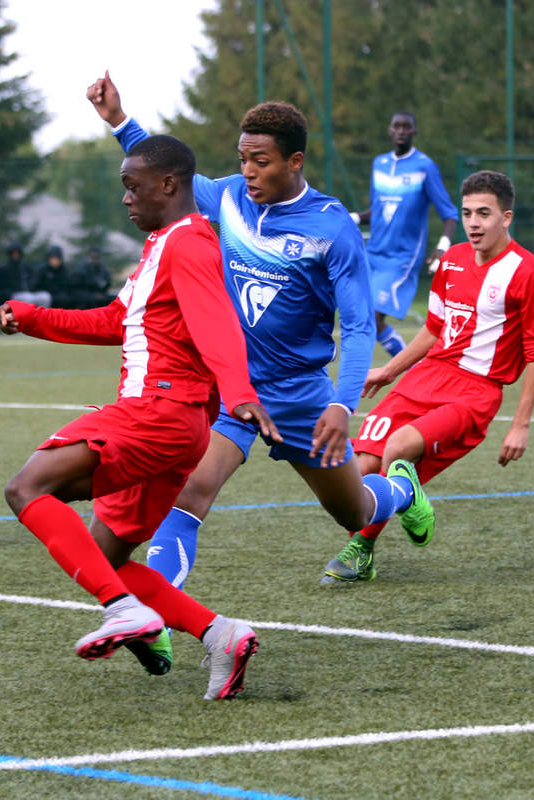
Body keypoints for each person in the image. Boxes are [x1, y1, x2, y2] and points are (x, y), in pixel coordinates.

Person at [87, 72, 434, 671]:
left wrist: (341, 404)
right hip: (230, 390)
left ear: (294, 161)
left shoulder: (332, 229)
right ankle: (160, 623)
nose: (247, 172)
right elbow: (169, 178)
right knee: (190, 493)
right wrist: (120, 121)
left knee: (353, 513)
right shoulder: (227, 198)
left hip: (301, 397)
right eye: (242, 159)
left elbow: (355, 329)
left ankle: (401, 488)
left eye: (261, 161)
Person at [0, 134, 280, 700]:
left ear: (168, 185)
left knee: (27, 488)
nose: (126, 198)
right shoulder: (163, 245)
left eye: (133, 186)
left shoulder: (188, 243)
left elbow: (216, 322)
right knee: (102, 557)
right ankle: (219, 634)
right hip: (176, 426)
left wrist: (239, 388)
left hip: (157, 412)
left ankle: (126, 612)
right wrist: (32, 318)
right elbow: (113, 321)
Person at [324, 170, 534, 582]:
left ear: (507, 217)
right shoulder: (451, 260)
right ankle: (399, 507)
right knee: (357, 475)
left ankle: (362, 549)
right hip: (428, 375)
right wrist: (390, 370)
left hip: (476, 391)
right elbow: (434, 328)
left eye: (484, 214)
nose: (473, 223)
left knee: (398, 448)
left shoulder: (527, 273)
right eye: (467, 213)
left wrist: (520, 426)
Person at [350, 111, 458, 357]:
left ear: (414, 131)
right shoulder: (380, 164)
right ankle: (415, 368)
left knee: (374, 317)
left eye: (406, 127)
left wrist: (442, 246)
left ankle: (413, 370)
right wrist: (353, 217)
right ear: (389, 131)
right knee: (363, 318)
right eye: (396, 126)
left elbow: (449, 214)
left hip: (401, 258)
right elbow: (378, 211)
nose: (400, 131)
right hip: (372, 254)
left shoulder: (424, 166)